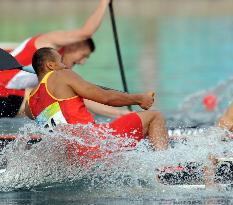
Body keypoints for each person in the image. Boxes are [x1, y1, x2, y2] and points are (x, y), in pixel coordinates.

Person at [0, 0, 128, 118]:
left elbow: (84, 97)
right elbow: (86, 32)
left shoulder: (55, 68)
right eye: (84, 55)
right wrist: (104, 3)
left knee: (50, 106)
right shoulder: (48, 42)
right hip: (4, 92)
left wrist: (121, 114)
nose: (82, 62)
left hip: (10, 98)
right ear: (75, 44)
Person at [26, 47, 168, 152]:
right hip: (94, 145)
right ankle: (163, 167)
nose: (65, 65)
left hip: (69, 157)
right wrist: (139, 99)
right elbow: (106, 98)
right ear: (51, 65)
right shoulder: (61, 75)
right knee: (155, 116)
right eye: (61, 61)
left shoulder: (29, 104)